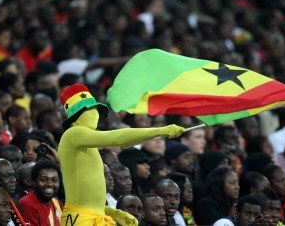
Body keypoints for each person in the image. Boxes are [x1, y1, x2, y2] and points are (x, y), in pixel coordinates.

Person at [57, 83, 185, 225]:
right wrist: (160, 131)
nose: (95, 113)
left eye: (96, 109)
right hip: (79, 219)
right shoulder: (73, 133)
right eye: (89, 109)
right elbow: (116, 137)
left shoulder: (86, 143)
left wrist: (114, 213)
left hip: (94, 217)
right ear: (76, 114)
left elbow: (88, 199)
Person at [19, 160, 63, 226]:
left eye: (54, 180)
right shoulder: (27, 204)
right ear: (34, 182)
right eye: (43, 180)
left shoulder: (57, 203)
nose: (50, 184)